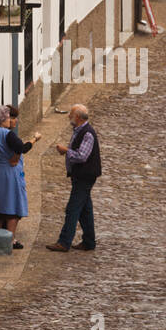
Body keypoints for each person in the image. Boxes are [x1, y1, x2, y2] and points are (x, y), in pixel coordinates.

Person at [46, 103, 102, 253]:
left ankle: (64, 242)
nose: (69, 117)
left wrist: (66, 151)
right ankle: (89, 242)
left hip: (85, 176)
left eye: (71, 114)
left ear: (77, 117)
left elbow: (82, 156)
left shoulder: (87, 133)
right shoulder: (79, 130)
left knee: (73, 209)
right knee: (85, 210)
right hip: (80, 175)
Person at [0, 105, 40, 249]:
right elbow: (21, 148)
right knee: (13, 207)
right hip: (10, 173)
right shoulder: (7, 134)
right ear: (2, 119)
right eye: (9, 117)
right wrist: (34, 139)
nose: (11, 120)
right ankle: (9, 240)